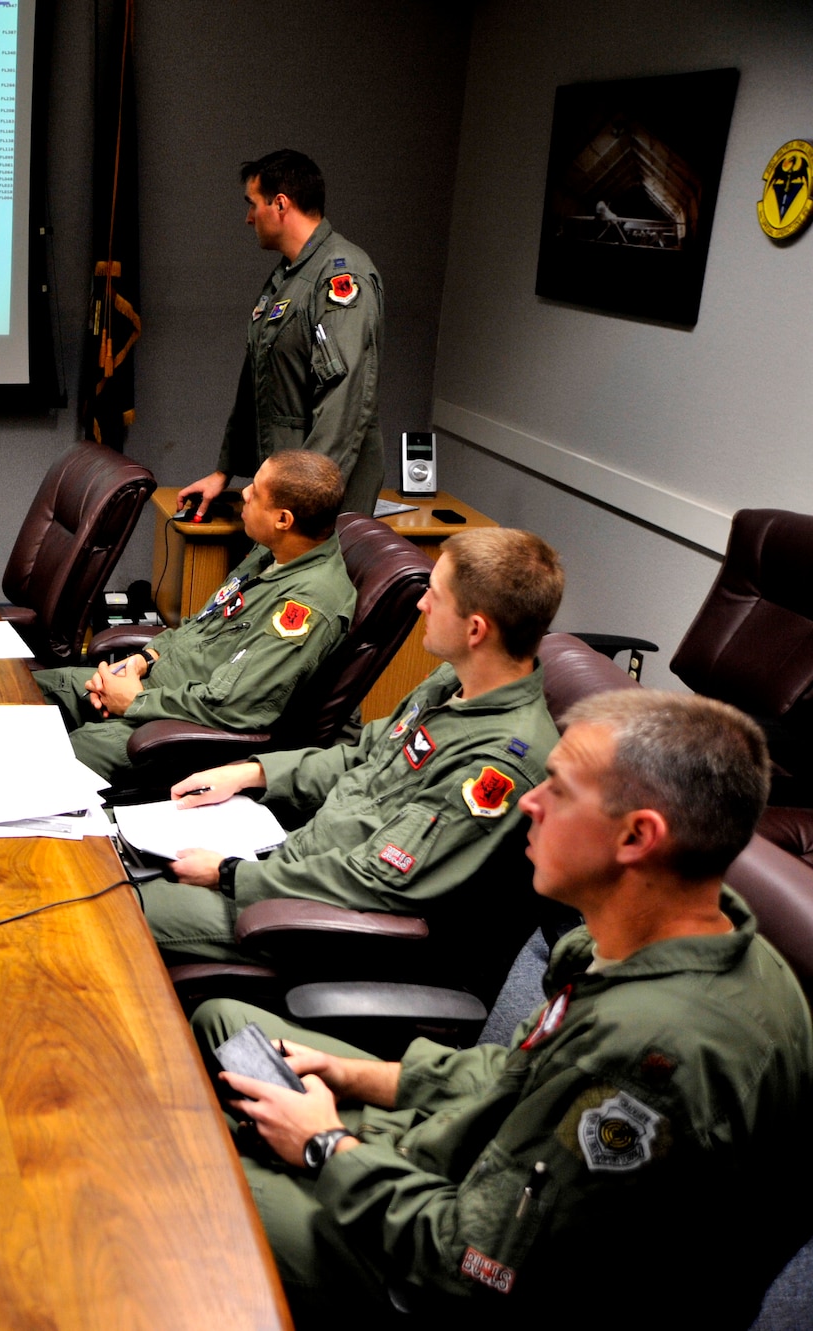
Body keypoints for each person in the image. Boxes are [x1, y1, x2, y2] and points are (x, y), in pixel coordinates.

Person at [191, 691, 813, 1327]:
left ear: (636, 835)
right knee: (224, 1023)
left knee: (188, 1181)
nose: (527, 803)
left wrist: (326, 1146)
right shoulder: (682, 942)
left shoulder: (647, 1053)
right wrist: (357, 1076)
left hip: (452, 1275)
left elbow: (474, 1264)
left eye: (559, 790)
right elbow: (519, 1073)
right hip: (481, 1161)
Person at [150, 528, 564, 966]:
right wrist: (250, 773)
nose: (422, 603)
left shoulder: (496, 764)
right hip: (298, 860)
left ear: (475, 629)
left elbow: (379, 879)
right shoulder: (454, 682)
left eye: (435, 596)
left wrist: (230, 874)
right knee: (128, 863)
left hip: (322, 919)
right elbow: (363, 755)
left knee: (126, 905)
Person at [32, 451, 355, 782]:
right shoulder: (271, 552)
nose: (244, 493)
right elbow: (200, 626)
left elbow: (236, 707)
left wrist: (135, 701)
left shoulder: (305, 606)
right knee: (20, 692)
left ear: (283, 520)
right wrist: (142, 660)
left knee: (38, 770)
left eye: (256, 492)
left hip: (170, 728)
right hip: (150, 685)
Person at [178, 150, 386, 522]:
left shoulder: (340, 276)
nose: (248, 218)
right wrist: (224, 471)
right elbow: (256, 383)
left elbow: (344, 403)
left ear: (280, 204)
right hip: (282, 489)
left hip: (314, 499)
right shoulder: (288, 278)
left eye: (252, 204)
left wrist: (300, 495)